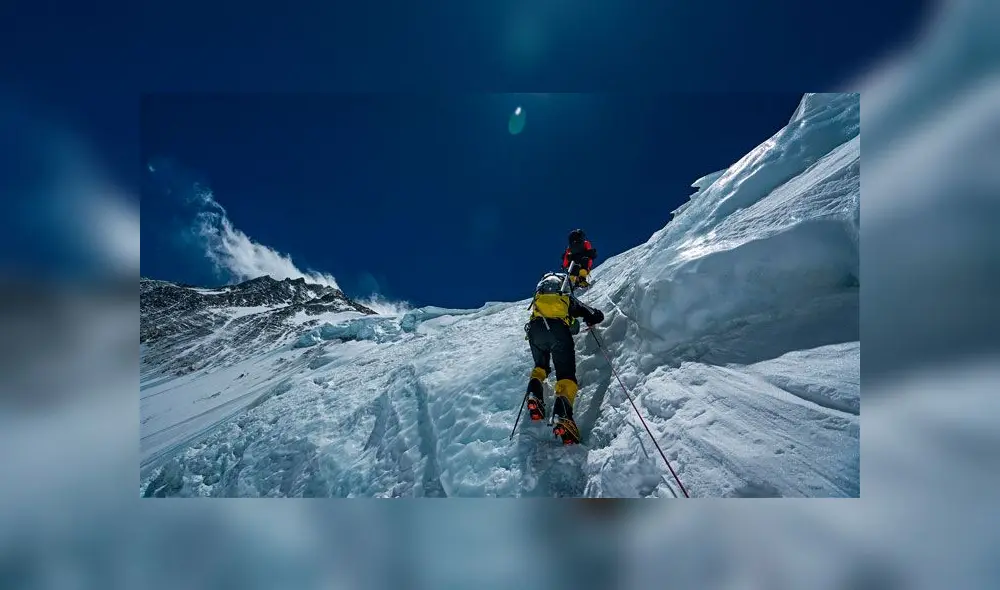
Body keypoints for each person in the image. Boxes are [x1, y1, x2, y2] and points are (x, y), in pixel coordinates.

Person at [523, 271, 605, 445]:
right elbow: (593, 313)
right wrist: (593, 317)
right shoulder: (565, 297)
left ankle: (535, 395)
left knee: (540, 366)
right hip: (558, 332)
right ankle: (563, 413)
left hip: (535, 330)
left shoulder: (539, 300)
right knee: (566, 375)